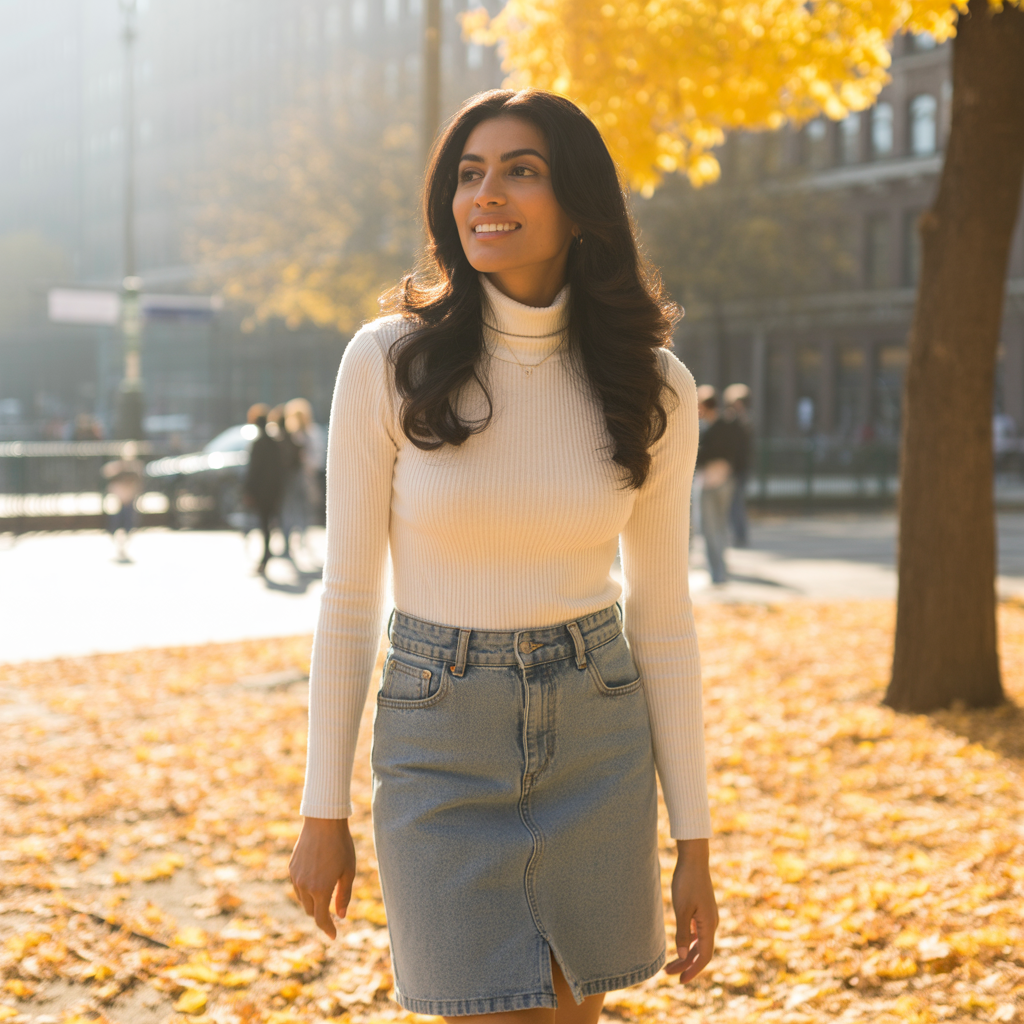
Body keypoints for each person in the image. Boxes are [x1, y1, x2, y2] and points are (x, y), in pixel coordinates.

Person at [289, 89, 717, 1022]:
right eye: (469, 174)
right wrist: (324, 810)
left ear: (580, 206)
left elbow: (664, 620)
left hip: (597, 730)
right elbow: (350, 597)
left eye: (521, 171)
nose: (487, 194)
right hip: (439, 735)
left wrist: (695, 839)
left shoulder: (655, 388)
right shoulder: (387, 361)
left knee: (569, 1014)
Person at [695, 386, 742, 584]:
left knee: (711, 528)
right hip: (727, 479)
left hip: (711, 482)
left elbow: (700, 455)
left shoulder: (706, 428)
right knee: (720, 526)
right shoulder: (728, 424)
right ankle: (721, 569)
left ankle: (717, 572)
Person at [242, 410, 286, 574]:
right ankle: (266, 555)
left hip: (261, 492)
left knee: (264, 525)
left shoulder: (258, 444)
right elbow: (280, 470)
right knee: (267, 525)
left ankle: (266, 556)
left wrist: (248, 491)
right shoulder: (274, 443)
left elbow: (253, 471)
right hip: (272, 491)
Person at [722, 383, 753, 548]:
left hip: (739, 469)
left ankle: (739, 536)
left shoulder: (742, 421)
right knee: (734, 504)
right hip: (734, 468)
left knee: (736, 504)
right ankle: (737, 534)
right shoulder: (738, 420)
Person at [102, 441, 144, 562]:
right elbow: (106, 473)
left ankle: (123, 545)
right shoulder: (118, 468)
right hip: (120, 500)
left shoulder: (135, 469)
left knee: (129, 523)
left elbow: (138, 485)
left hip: (129, 500)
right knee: (116, 523)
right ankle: (119, 545)